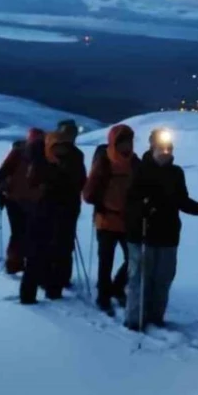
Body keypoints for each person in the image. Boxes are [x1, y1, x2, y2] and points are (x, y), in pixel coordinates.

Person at [127, 128, 198, 328]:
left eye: (169, 148)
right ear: (152, 146)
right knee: (140, 278)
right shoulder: (140, 169)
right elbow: (129, 200)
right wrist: (140, 209)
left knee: (163, 279)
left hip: (168, 234)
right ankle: (134, 319)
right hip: (142, 232)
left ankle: (156, 317)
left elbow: (182, 201)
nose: (165, 151)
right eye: (161, 147)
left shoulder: (176, 172)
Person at [20, 131, 84, 304]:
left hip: (65, 214)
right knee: (36, 254)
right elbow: (30, 185)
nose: (61, 150)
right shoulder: (40, 161)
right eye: (57, 147)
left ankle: (54, 289)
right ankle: (28, 294)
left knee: (61, 252)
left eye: (64, 147)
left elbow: (80, 184)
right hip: (41, 213)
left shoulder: (74, 161)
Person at [82, 124, 139, 315]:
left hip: (127, 221)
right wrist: (103, 204)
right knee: (105, 261)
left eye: (129, 142)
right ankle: (104, 296)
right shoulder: (104, 162)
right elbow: (88, 193)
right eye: (122, 142)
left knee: (133, 259)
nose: (126, 146)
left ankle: (115, 287)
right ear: (114, 142)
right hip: (106, 220)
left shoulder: (135, 163)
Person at [0, 129, 45, 274]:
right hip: (31, 200)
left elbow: (1, 173)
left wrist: (2, 188)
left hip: (16, 199)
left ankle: (15, 263)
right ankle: (25, 264)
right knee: (27, 233)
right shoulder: (43, 154)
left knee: (18, 233)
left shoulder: (19, 152)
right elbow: (2, 173)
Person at [53, 119, 86, 289]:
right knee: (58, 242)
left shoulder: (76, 154)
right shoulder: (51, 153)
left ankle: (61, 277)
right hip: (56, 204)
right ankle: (55, 277)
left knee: (64, 243)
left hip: (68, 204)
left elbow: (81, 179)